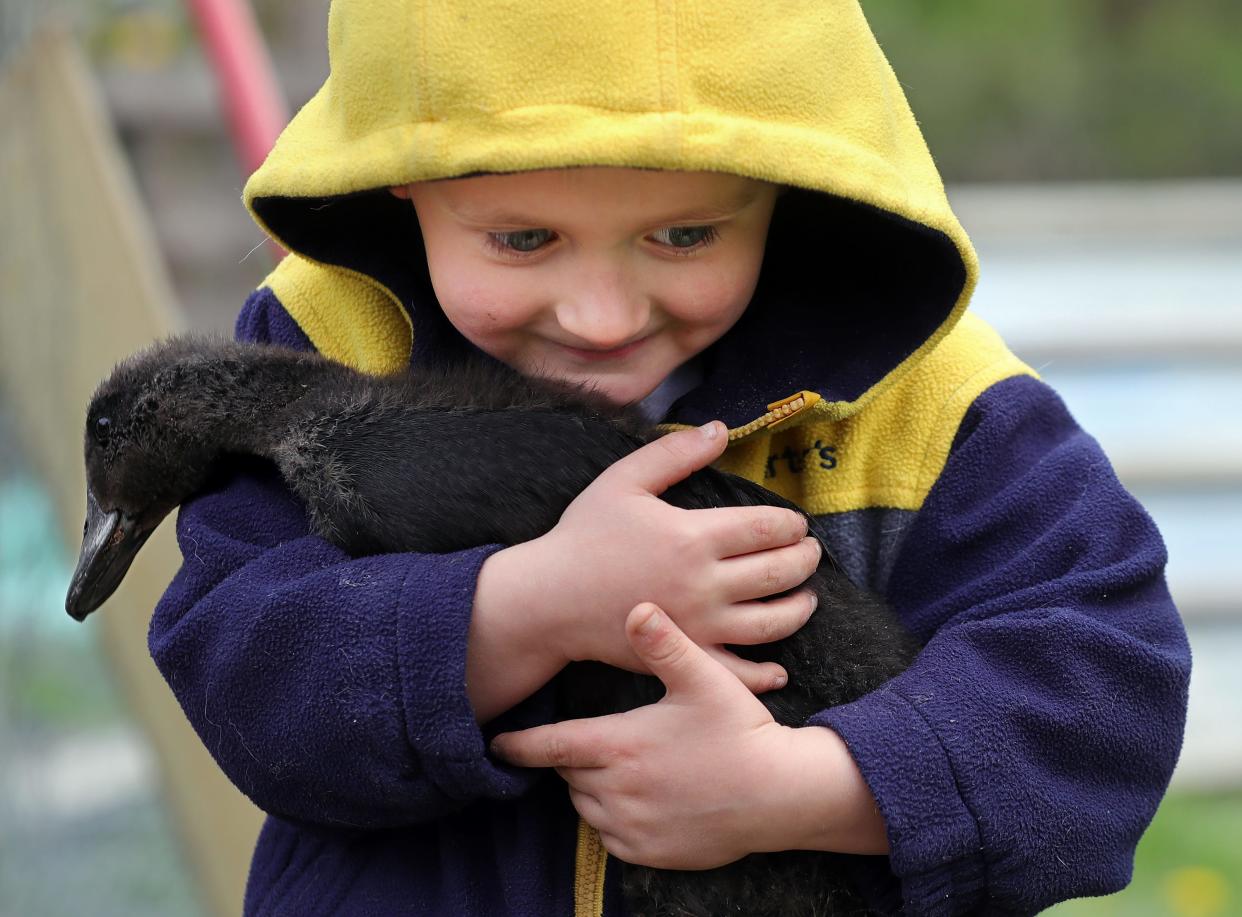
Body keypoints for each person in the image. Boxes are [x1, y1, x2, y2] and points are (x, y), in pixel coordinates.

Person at [148, 1, 1191, 914]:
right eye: (522, 240)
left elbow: (1105, 688)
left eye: (685, 235)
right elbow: (247, 668)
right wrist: (525, 604)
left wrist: (807, 784)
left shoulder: (923, 398)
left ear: (787, 187)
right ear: (397, 187)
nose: (602, 317)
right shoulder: (332, 350)